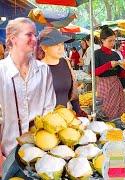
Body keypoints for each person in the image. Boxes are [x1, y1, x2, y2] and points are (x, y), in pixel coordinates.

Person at [0, 17, 56, 178]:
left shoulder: (43, 70)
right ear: (13, 39)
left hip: (40, 156)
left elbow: (49, 111)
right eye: (29, 35)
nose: (34, 39)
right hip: (7, 155)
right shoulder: (1, 71)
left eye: (35, 35)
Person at [39, 27, 86, 117]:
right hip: (46, 122)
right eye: (56, 44)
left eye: (62, 44)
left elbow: (74, 94)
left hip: (65, 119)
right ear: (44, 47)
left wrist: (79, 112)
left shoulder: (65, 63)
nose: (61, 48)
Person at [94, 26, 125, 120]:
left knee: (119, 113)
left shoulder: (115, 54)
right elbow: (93, 72)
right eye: (110, 41)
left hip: (116, 86)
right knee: (105, 113)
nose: (112, 43)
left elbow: (120, 74)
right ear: (102, 40)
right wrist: (109, 65)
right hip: (104, 86)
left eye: (114, 40)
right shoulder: (97, 54)